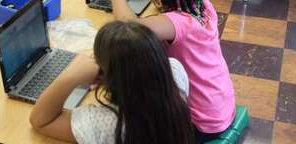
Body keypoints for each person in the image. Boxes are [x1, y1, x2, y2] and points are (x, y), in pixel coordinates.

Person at [99, 0, 236, 143]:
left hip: (202, 123)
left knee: (141, 116)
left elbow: (130, 28)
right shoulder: (201, 3)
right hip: (220, 106)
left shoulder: (177, 23)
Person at [30, 21, 193, 144]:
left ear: (105, 76)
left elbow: (41, 121)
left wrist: (70, 76)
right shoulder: (175, 71)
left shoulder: (107, 123)